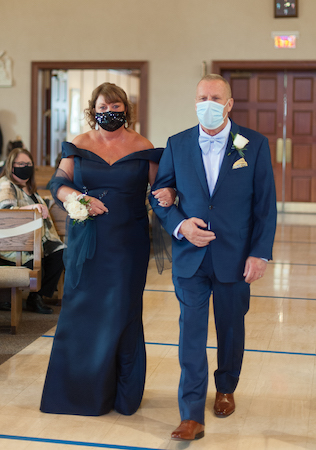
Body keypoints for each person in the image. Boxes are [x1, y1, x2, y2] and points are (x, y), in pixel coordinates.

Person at [150, 74, 277, 440]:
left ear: (229, 104)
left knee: (231, 330)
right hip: (190, 256)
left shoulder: (253, 145)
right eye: (202, 96)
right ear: (195, 102)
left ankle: (225, 387)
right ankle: (190, 413)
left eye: (215, 97)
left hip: (235, 257)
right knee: (191, 333)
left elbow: (265, 206)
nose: (207, 102)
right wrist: (179, 225)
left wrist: (259, 253)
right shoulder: (177, 143)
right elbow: (159, 193)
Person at [40, 82, 174, 416]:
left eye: (115, 108)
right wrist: (76, 197)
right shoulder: (79, 145)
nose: (109, 113)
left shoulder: (143, 147)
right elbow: (58, 183)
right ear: (93, 109)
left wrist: (171, 194)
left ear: (125, 110)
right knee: (81, 310)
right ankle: (76, 393)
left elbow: (160, 189)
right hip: (87, 240)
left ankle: (121, 394)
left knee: (122, 312)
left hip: (128, 243)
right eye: (103, 108)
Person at [0, 148, 65, 314]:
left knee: (60, 254)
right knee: (38, 264)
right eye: (21, 163)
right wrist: (32, 208)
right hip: (14, 244)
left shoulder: (30, 188)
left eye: (28, 164)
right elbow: (5, 210)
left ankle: (36, 297)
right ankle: (8, 297)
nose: (25, 167)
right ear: (11, 166)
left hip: (38, 239)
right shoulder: (6, 185)